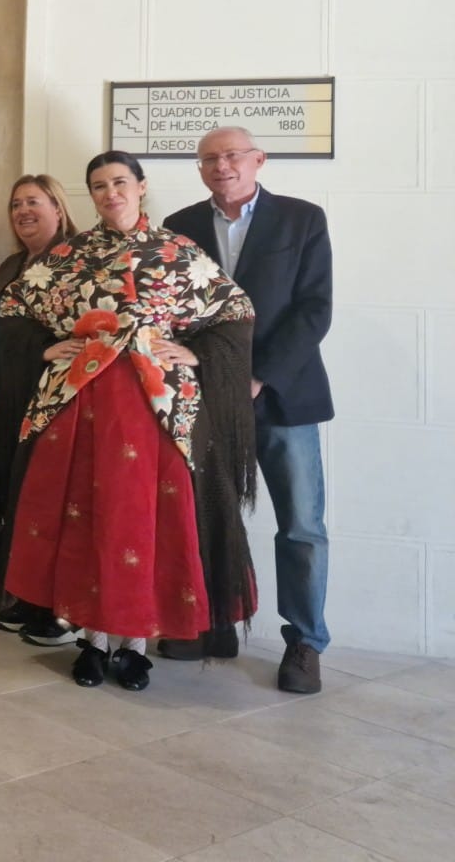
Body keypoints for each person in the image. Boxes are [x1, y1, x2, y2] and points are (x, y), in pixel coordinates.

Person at [0, 151, 259, 693]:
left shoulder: (178, 252)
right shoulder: (69, 255)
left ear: (140, 187)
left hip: (156, 410)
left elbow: (234, 312)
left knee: (142, 521)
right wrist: (48, 349)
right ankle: (91, 640)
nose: (110, 193)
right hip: (81, 406)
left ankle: (134, 645)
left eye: (120, 182)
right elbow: (13, 310)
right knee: (87, 517)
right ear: (90, 195)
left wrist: (198, 355)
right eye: (98, 185)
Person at [161, 127, 333, 693]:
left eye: (233, 155)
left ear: (258, 160)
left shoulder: (302, 219)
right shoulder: (179, 229)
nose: (222, 165)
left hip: (283, 395)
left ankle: (304, 642)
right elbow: (174, 316)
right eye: (209, 157)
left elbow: (314, 310)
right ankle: (217, 622)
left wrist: (259, 376)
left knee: (301, 525)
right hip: (207, 395)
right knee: (213, 514)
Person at [0, 175, 78, 641]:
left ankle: (55, 607)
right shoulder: (12, 264)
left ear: (57, 205)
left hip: (55, 402)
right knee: (15, 502)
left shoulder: (76, 259)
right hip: (8, 402)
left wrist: (41, 352)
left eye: (33, 202)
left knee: (49, 504)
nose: (23, 211)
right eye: (16, 204)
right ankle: (22, 595)